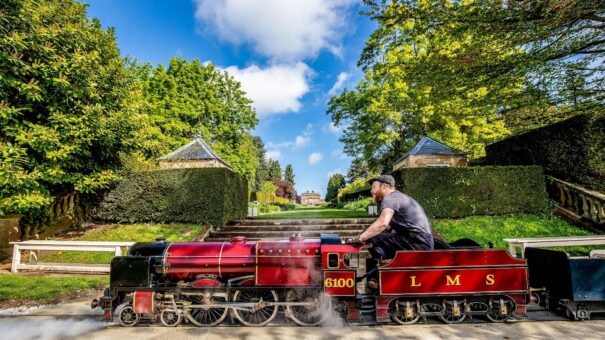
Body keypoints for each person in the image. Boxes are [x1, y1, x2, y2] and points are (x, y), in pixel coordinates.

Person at [347, 175, 434, 259]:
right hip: (422, 241)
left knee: (372, 237)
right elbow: (388, 226)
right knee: (372, 234)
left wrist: (360, 238)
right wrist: (366, 232)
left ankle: (383, 265)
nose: (371, 191)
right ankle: (386, 263)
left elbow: (382, 224)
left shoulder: (390, 199)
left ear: (385, 186)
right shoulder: (398, 197)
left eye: (374, 187)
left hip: (418, 242)